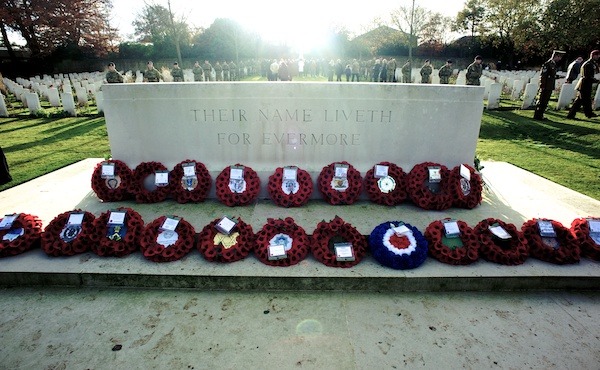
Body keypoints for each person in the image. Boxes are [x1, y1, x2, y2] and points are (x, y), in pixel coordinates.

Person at [567, 50, 600, 120]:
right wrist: (596, 80)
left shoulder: (592, 63)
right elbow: (587, 76)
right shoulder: (588, 64)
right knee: (582, 101)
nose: (598, 57)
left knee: (582, 100)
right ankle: (573, 115)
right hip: (584, 84)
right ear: (593, 55)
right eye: (597, 55)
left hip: (586, 84)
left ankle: (588, 114)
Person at [533, 50, 565, 120]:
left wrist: (559, 77)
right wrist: (543, 86)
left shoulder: (553, 64)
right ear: (556, 56)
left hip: (549, 86)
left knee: (545, 102)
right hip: (545, 86)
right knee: (542, 101)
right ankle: (538, 116)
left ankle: (541, 115)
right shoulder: (547, 64)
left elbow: (552, 75)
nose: (560, 59)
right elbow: (543, 76)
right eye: (559, 57)